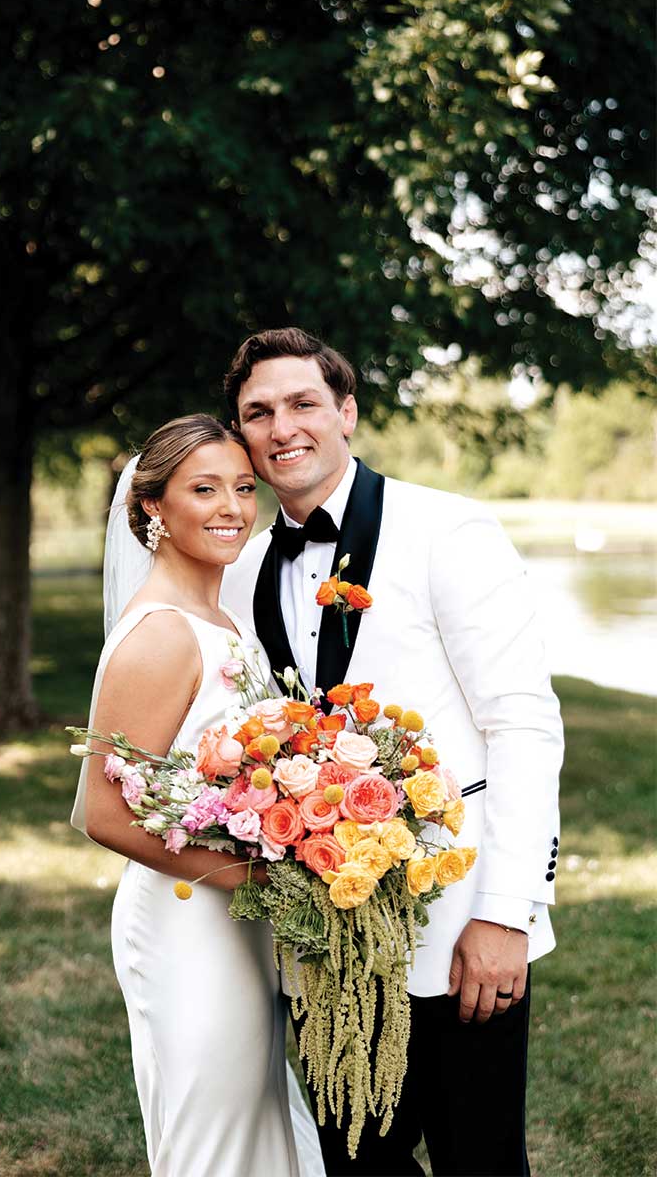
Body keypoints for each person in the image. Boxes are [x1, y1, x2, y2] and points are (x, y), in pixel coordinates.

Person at [221, 328, 563, 1177]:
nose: (281, 426)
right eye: (257, 412)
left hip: (459, 929)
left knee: (479, 1160)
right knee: (357, 1166)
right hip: (324, 937)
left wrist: (505, 914)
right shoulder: (244, 568)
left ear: (347, 413)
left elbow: (523, 722)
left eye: (302, 403)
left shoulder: (448, 529)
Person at [70, 414, 325, 1177]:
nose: (232, 508)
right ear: (153, 508)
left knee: (259, 1125)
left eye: (244, 488)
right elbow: (102, 811)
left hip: (238, 921)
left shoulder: (222, 621)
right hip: (189, 930)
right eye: (204, 489)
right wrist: (257, 878)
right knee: (213, 1141)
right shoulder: (164, 635)